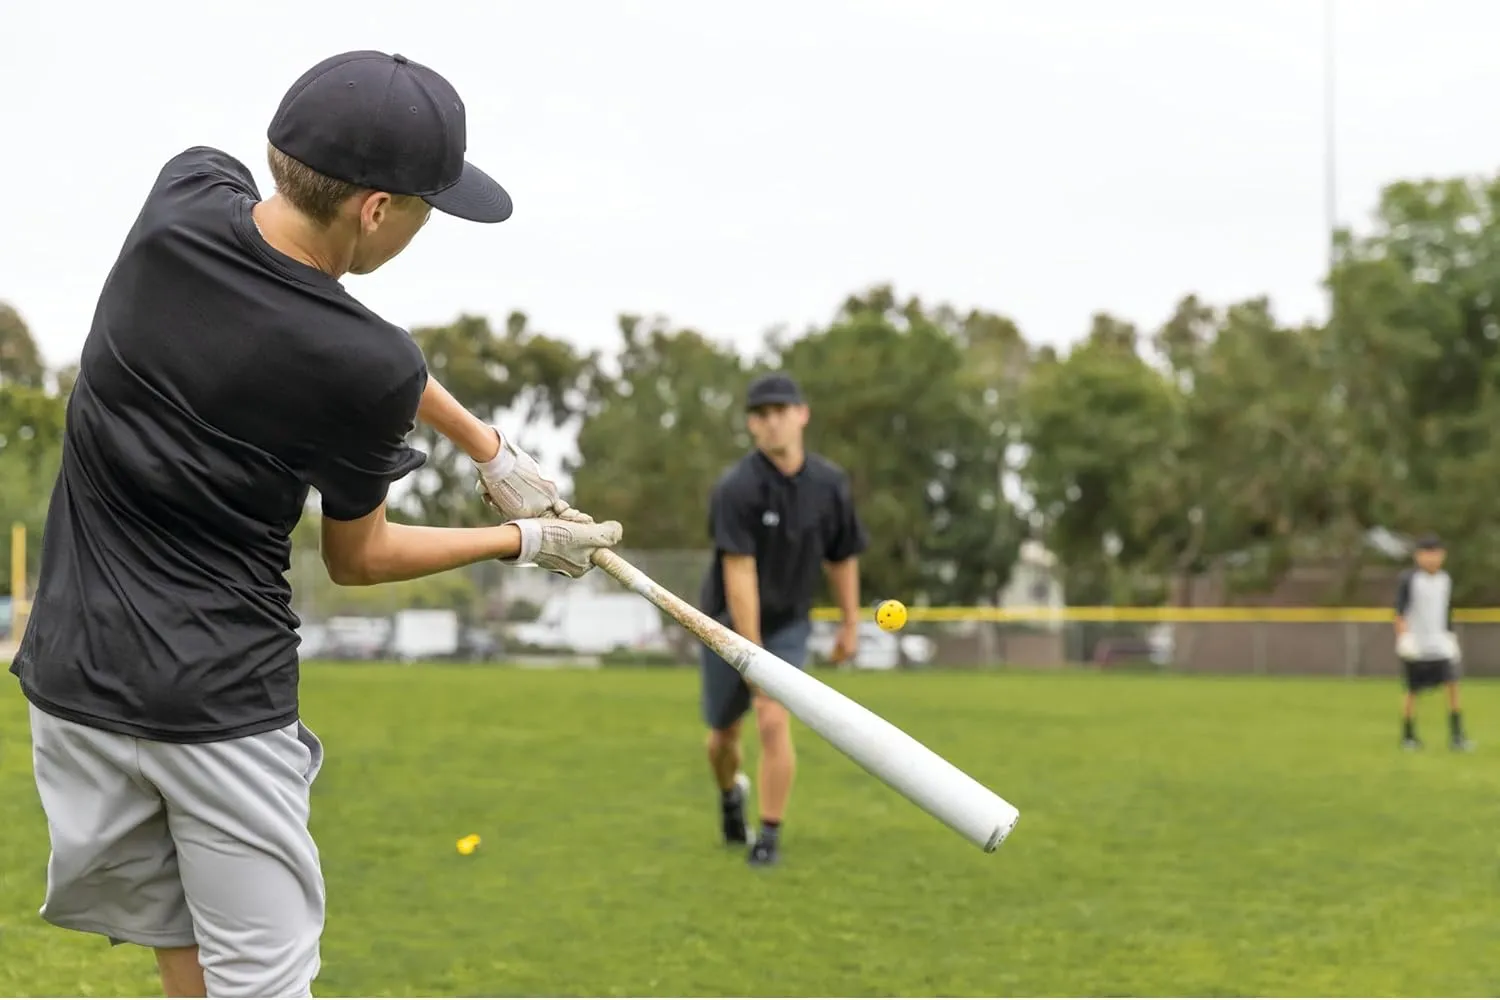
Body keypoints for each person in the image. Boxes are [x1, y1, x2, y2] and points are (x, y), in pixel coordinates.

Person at [9, 50, 621, 998]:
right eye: (424, 208)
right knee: (262, 984)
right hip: (216, 706)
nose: (423, 226)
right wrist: (525, 540)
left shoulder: (182, 195)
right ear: (376, 208)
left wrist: (484, 444)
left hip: (73, 684)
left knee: (184, 953)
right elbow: (360, 556)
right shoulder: (367, 366)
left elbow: (318, 325)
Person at [697, 372, 869, 867]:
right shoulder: (737, 488)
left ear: (802, 414)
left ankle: (767, 835)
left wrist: (850, 624)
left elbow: (842, 558)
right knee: (722, 738)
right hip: (726, 624)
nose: (772, 422)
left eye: (781, 411)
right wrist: (750, 658)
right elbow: (740, 574)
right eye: (761, 415)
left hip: (790, 623)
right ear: (752, 425)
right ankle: (731, 796)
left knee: (773, 720)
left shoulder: (830, 485)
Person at [1393, 535, 1472, 752]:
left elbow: (1445, 611)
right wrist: (1404, 639)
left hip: (1439, 644)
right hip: (1417, 645)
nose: (1431, 558)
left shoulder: (1445, 580)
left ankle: (1457, 736)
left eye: (1436, 553)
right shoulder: (1409, 579)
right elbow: (1399, 613)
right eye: (1427, 553)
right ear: (1418, 556)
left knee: (1453, 686)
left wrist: (1450, 636)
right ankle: (1408, 736)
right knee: (1411, 691)